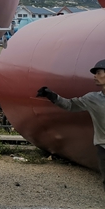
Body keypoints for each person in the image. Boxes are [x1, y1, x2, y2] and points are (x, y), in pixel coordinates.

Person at [38, 59, 105, 191]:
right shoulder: (92, 99)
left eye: (98, 72)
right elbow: (70, 105)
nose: (94, 76)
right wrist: (52, 96)